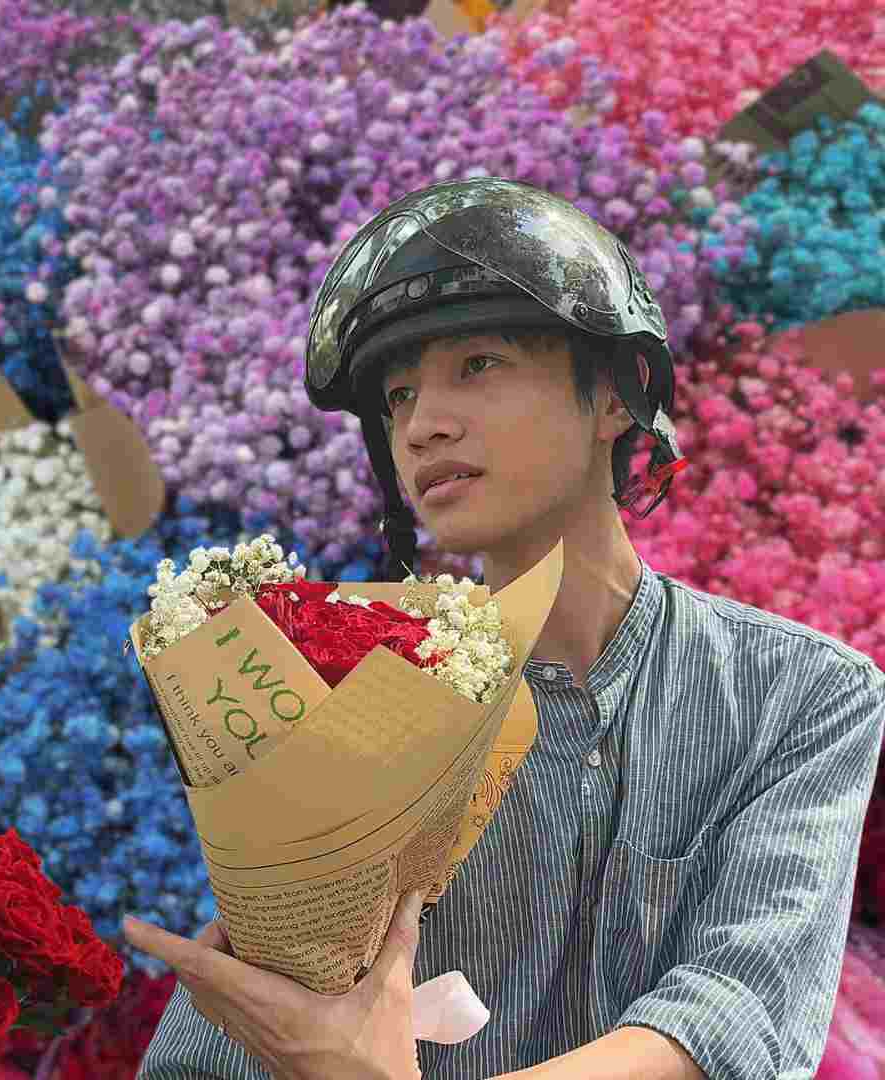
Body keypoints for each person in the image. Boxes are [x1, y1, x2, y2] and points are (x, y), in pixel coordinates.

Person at [128, 177, 885, 1079]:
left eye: (477, 366)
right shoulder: (355, 704)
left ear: (616, 396)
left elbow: (738, 1017)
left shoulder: (801, 691)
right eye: (399, 396)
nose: (422, 427)